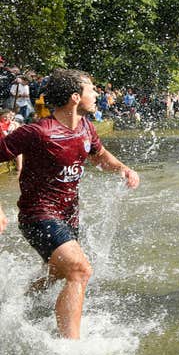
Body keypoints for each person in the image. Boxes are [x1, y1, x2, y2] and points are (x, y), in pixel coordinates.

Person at [0, 69, 140, 339]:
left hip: (68, 216)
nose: (97, 93)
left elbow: (99, 156)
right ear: (75, 97)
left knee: (58, 274)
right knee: (80, 270)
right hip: (37, 216)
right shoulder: (37, 132)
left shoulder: (86, 127)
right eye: (92, 89)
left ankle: (14, 304)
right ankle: (71, 351)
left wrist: (123, 168)